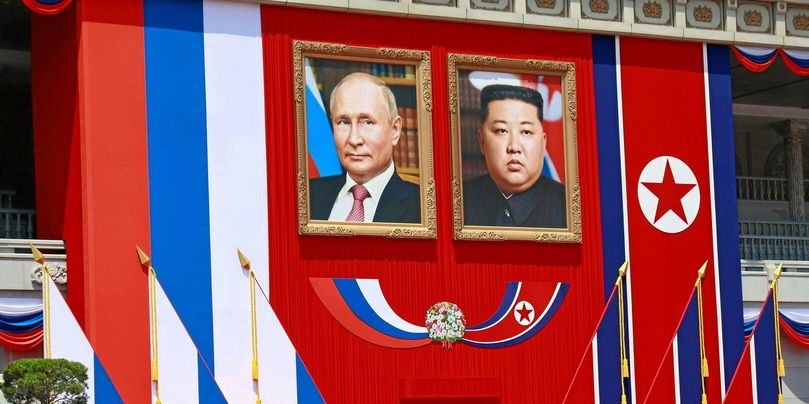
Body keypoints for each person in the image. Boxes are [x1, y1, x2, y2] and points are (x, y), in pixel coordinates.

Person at [309, 72, 420, 223]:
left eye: (367, 122)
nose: (354, 139)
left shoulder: (423, 206)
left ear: (394, 130)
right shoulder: (306, 196)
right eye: (343, 122)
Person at [463, 84, 566, 228]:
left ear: (543, 143)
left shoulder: (568, 206)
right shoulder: (460, 200)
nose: (514, 147)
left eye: (526, 132)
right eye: (501, 130)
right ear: (482, 141)